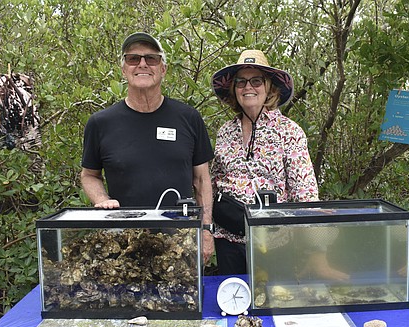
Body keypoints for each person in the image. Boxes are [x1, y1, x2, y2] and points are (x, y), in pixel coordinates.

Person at [211, 50, 347, 281]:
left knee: (274, 302)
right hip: (227, 240)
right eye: (241, 82)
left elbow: (305, 194)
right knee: (232, 305)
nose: (248, 87)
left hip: (274, 242)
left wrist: (316, 251)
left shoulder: (289, 131)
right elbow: (214, 182)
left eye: (256, 81)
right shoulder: (225, 132)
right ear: (234, 89)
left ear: (269, 88)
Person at [80, 32, 215, 263]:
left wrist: (206, 230)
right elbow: (89, 176)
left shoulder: (189, 118)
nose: (142, 64)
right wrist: (101, 199)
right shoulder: (100, 123)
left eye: (151, 58)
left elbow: (202, 180)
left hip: (180, 241)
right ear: (124, 69)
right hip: (123, 243)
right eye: (133, 59)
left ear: (163, 68)